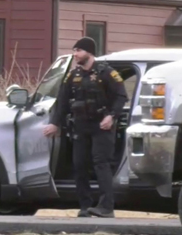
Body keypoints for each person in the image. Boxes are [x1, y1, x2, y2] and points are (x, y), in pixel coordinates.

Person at [43, 37, 128, 218]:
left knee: (100, 163)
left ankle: (106, 207)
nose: (75, 55)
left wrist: (111, 116)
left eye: (78, 51)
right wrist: (54, 123)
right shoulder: (73, 75)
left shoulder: (106, 72)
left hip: (101, 126)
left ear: (89, 52)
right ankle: (85, 206)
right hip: (80, 126)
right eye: (74, 51)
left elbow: (121, 97)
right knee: (79, 164)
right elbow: (62, 101)